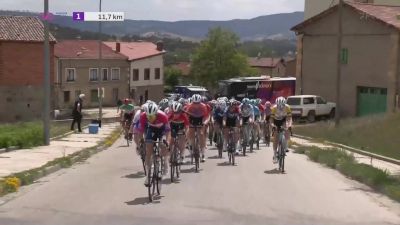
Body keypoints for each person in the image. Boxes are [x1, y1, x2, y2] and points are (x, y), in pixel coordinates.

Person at [137, 103, 171, 186]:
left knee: (163, 146)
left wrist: (167, 141)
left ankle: (165, 162)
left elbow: (168, 131)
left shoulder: (163, 116)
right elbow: (141, 130)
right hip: (151, 130)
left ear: (156, 113)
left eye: (152, 116)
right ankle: (148, 176)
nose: (150, 118)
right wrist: (141, 140)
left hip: (162, 130)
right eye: (148, 116)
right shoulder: (143, 116)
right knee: (148, 151)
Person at [186, 94, 210, 162]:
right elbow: (186, 117)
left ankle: (203, 153)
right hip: (192, 119)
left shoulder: (204, 106)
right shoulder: (189, 106)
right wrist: (188, 124)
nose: (196, 104)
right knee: (190, 132)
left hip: (201, 119)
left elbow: (207, 116)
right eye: (194, 103)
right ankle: (191, 145)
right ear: (192, 102)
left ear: (200, 102)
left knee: (201, 134)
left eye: (198, 103)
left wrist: (205, 123)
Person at [271, 97, 292, 163]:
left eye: (282, 106)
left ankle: (285, 147)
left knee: (287, 130)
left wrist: (289, 125)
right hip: (276, 121)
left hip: (284, 120)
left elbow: (289, 118)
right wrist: (273, 126)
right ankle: (274, 154)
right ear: (276, 104)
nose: (280, 107)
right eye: (279, 106)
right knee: (276, 138)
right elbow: (271, 120)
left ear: (284, 104)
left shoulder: (287, 107)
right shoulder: (274, 108)